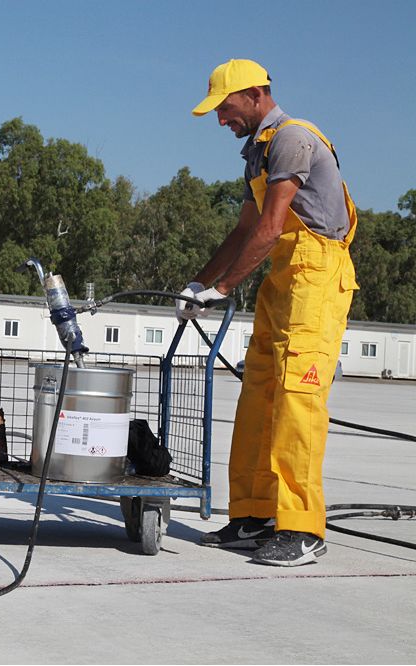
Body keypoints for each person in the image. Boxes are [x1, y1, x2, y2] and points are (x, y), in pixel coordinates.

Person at [179, 59, 358, 566]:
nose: (220, 120)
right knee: (258, 396)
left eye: (225, 107)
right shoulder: (256, 153)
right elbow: (243, 232)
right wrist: (198, 284)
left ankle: (302, 529)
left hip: (318, 278)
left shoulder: (292, 138)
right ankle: (254, 517)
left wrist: (226, 287)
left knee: (298, 401)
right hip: (284, 280)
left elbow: (273, 225)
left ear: (255, 93)